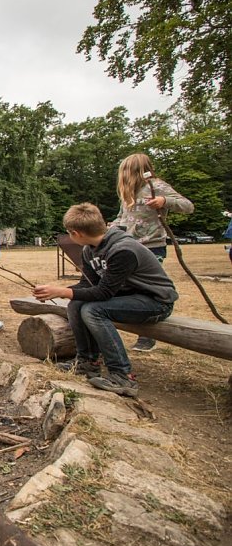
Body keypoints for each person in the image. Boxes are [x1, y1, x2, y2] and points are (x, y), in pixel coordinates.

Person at [34, 203, 179, 397]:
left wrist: (61, 291)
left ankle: (122, 375)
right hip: (127, 297)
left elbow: (103, 293)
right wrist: (57, 291)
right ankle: (87, 362)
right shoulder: (89, 250)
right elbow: (88, 285)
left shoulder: (123, 250)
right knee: (77, 304)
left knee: (93, 310)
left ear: (76, 233)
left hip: (155, 302)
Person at [109, 153, 193, 352]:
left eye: (127, 170)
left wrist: (164, 201)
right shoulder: (127, 192)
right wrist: (108, 230)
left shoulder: (156, 186)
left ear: (136, 170)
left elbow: (188, 206)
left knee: (146, 290)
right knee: (125, 287)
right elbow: (122, 218)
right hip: (129, 247)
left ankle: (146, 337)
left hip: (151, 247)